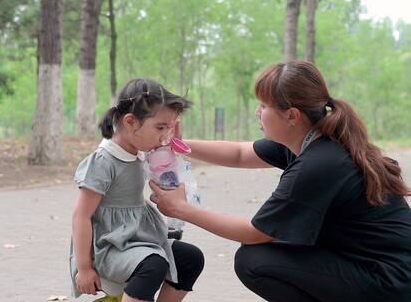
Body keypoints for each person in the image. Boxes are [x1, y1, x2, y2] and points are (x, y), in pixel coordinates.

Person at [149, 61, 411, 301]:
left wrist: (181, 209)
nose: (257, 112)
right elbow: (240, 154)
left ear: (292, 116)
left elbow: (254, 233)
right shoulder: (311, 140)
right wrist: (177, 145)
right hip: (374, 263)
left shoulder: (319, 164)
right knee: (271, 248)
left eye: (264, 106)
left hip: (390, 279)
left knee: (254, 260)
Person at [70, 78, 204, 302]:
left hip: (138, 239)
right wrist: (84, 268)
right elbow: (81, 215)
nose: (164, 135)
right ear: (131, 122)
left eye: (169, 127)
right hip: (106, 247)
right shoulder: (103, 161)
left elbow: (169, 175)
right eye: (160, 127)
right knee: (154, 264)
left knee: (190, 258)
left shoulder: (142, 153)